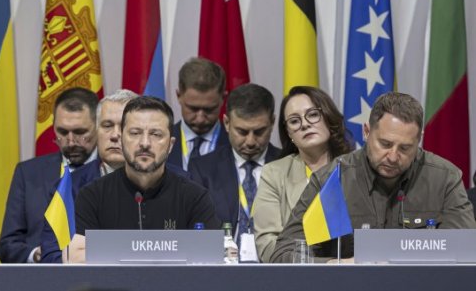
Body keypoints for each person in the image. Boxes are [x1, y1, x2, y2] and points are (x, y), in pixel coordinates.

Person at [271, 92, 476, 263]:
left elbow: (466, 251)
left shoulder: (444, 178)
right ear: (366, 132)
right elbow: (283, 253)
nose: (393, 157)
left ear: (419, 140)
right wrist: (336, 264)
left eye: (405, 148)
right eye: (385, 144)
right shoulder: (333, 179)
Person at [65, 96, 220, 263]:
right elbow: (76, 258)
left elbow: (211, 257)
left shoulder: (194, 197)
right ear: (121, 140)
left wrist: (122, 251)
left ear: (170, 145)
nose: (145, 143)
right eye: (135, 133)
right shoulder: (92, 196)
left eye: (156, 134)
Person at [252, 86, 353, 262]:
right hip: (298, 274)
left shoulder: (355, 168)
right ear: (289, 132)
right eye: (294, 121)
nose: (305, 124)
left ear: (328, 118)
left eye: (312, 115)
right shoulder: (274, 174)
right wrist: (325, 264)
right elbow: (267, 246)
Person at [0, 87, 99, 263]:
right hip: (40, 275)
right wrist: (36, 254)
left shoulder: (112, 172)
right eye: (62, 132)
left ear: (98, 126)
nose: (71, 141)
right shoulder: (28, 173)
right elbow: (7, 245)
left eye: (80, 132)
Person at [39, 89, 138, 263]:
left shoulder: (178, 183)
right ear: (96, 131)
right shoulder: (69, 188)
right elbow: (51, 257)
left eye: (124, 126)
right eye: (107, 125)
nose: (115, 135)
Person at [189, 83, 281, 254]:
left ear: (272, 123)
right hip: (222, 264)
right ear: (226, 123)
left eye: (259, 132)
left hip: (276, 264)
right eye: (242, 132)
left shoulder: (288, 165)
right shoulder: (203, 169)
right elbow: (196, 231)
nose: (251, 141)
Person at [170, 57, 230, 171]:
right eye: (193, 108)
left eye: (209, 110)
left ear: (223, 98)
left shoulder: (237, 145)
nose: (200, 119)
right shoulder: (160, 142)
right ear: (179, 96)